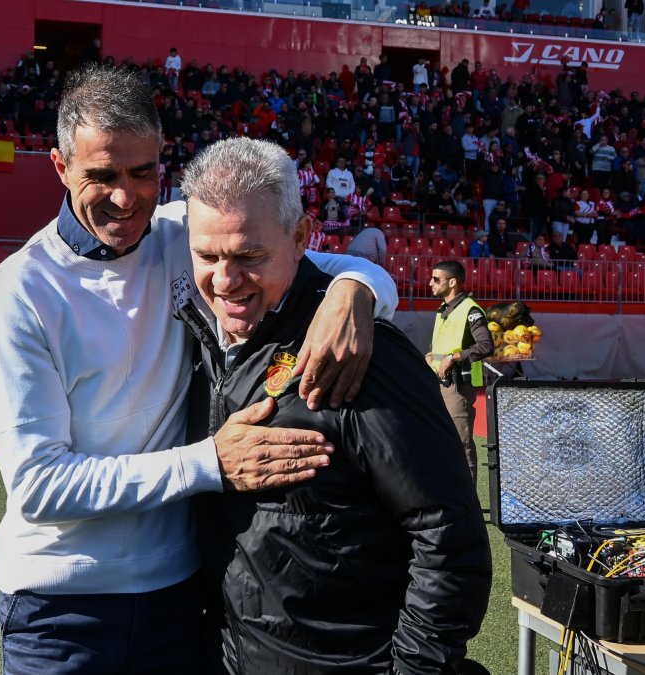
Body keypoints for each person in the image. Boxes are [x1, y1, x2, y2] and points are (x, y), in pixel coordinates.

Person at [0, 64, 398, 674]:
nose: (126, 197)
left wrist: (355, 289)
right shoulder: (19, 289)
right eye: (102, 176)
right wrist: (211, 463)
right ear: (61, 167)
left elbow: (323, 262)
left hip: (181, 596)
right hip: (60, 606)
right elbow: (39, 488)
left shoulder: (182, 235)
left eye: (143, 172)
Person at [178, 137, 492, 674]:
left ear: (301, 237)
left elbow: (449, 539)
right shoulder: (201, 336)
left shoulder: (361, 354)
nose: (225, 281)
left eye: (249, 256)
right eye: (207, 256)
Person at [428, 261, 494, 482]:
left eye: (436, 279)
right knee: (442, 443)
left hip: (458, 387)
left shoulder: (470, 309)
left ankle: (469, 508)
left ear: (452, 282)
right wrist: (434, 357)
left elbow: (486, 346)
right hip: (441, 385)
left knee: (461, 444)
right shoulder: (443, 310)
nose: (430, 283)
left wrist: (452, 357)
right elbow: (446, 346)